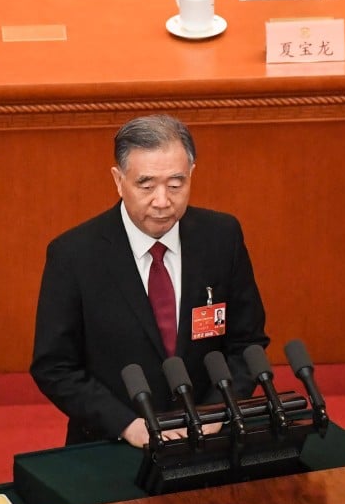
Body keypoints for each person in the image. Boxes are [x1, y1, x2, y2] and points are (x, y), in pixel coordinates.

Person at [30, 114, 269, 448]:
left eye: (176, 185)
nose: (162, 201)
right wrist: (126, 425)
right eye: (146, 185)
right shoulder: (74, 255)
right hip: (112, 445)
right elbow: (54, 366)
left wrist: (217, 410)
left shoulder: (221, 237)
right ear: (118, 180)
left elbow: (247, 344)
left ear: (191, 174)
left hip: (210, 440)